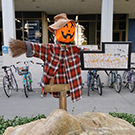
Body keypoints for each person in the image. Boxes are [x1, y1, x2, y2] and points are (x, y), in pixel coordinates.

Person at [9, 13, 83, 102]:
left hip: (71, 84)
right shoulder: (49, 49)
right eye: (65, 28)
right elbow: (35, 47)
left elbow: (89, 53)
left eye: (71, 28)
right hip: (54, 84)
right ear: (56, 31)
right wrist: (23, 46)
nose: (68, 31)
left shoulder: (75, 50)